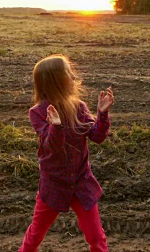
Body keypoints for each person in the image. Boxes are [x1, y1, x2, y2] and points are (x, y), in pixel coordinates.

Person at [19, 54, 114, 252]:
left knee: (96, 237)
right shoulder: (37, 112)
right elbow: (50, 146)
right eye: (68, 74)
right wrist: (56, 127)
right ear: (56, 81)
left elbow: (97, 136)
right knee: (34, 237)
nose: (74, 78)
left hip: (81, 182)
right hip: (53, 184)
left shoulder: (79, 107)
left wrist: (102, 114)